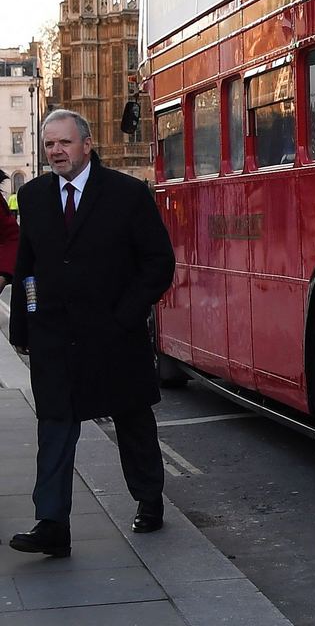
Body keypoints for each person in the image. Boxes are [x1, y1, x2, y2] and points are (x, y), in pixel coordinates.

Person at [8, 111, 175, 558]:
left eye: (64, 143)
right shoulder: (33, 196)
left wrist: (126, 315)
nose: (56, 152)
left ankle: (149, 499)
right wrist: (24, 322)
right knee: (55, 427)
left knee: (132, 421)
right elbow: (27, 271)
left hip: (113, 337)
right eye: (49, 146)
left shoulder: (127, 194)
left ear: (86, 145)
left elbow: (159, 263)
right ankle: (52, 523)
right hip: (54, 338)